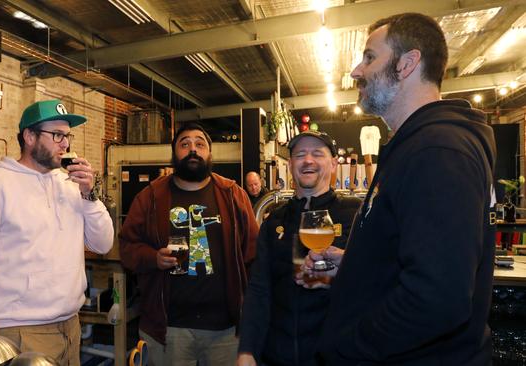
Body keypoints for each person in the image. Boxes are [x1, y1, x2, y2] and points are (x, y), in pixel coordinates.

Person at [310, 13, 497, 365]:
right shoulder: (418, 146)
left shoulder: (437, 151)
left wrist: (347, 347)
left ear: (407, 63)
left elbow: (438, 299)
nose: (356, 71)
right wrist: (353, 265)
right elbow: (419, 253)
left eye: (369, 57)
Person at [0, 99, 114, 365]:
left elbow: (103, 243)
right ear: (29, 136)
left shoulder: (70, 184)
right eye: (57, 135)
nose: (65, 144)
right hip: (18, 332)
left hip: (70, 326)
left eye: (67, 135)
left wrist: (90, 195)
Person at [119, 123, 259, 366]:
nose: (192, 149)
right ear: (174, 154)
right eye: (184, 144)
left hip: (225, 330)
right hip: (168, 330)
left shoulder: (233, 194)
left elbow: (253, 254)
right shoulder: (150, 196)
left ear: (210, 154)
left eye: (200, 144)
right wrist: (153, 258)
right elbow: (127, 247)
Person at [237, 130, 361, 366]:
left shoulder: (355, 213)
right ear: (291, 164)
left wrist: (349, 262)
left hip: (337, 355)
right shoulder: (274, 220)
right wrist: (247, 349)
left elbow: (380, 276)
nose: (308, 160)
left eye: (317, 153)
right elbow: (259, 288)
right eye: (300, 154)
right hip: (276, 355)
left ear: (333, 163)